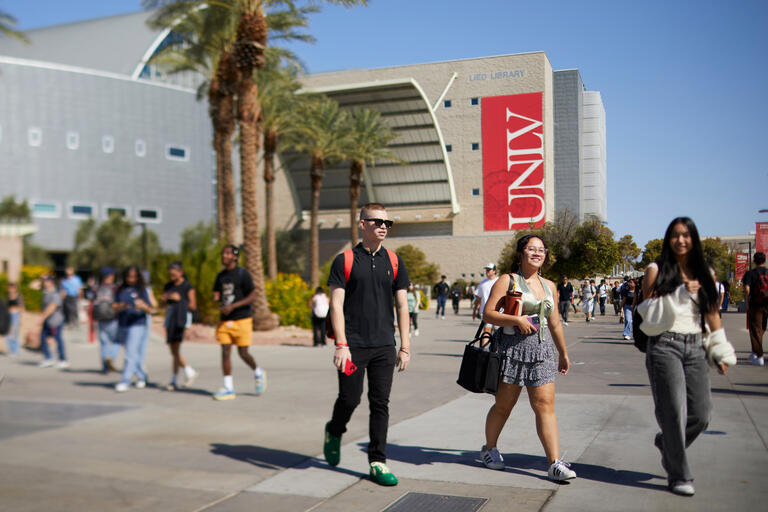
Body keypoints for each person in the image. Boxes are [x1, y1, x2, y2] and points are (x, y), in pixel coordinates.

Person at [641, 217, 733, 496]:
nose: (681, 240)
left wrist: (720, 350)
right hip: (664, 346)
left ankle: (667, 443)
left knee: (702, 415)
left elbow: (712, 314)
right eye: (675, 235)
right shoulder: (656, 270)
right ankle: (680, 474)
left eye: (686, 235)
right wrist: (679, 294)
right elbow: (648, 310)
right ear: (668, 239)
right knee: (673, 414)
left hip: (695, 347)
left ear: (694, 239)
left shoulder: (705, 272)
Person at [323, 203, 410, 487]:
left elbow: (402, 305)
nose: (383, 226)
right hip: (353, 345)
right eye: (377, 222)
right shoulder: (345, 260)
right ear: (363, 224)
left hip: (385, 345)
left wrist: (405, 346)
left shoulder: (394, 261)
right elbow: (336, 304)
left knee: (380, 403)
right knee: (350, 399)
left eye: (388, 222)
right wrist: (341, 344)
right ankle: (334, 430)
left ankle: (377, 461)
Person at [480, 234, 575, 481]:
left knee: (545, 405)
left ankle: (554, 463)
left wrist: (563, 353)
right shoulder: (507, 280)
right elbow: (488, 314)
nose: (537, 253)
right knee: (504, 405)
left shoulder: (550, 286)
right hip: (512, 348)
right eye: (531, 249)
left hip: (541, 350)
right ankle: (489, 449)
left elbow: (554, 323)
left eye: (541, 249)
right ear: (521, 253)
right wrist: (516, 320)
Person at [212, 244, 266, 400]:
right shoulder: (220, 276)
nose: (224, 256)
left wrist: (234, 306)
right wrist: (216, 299)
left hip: (242, 318)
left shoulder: (243, 274)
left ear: (235, 256)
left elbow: (252, 294)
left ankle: (258, 372)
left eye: (228, 253)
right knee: (225, 351)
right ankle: (228, 388)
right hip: (225, 321)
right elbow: (216, 292)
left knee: (243, 353)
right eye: (223, 253)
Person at [114, 266, 152, 392]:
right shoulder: (121, 289)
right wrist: (120, 306)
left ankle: (125, 380)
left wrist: (142, 306)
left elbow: (150, 308)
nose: (131, 279)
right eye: (129, 276)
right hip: (124, 323)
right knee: (133, 353)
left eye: (134, 277)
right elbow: (114, 306)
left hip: (138, 323)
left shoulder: (141, 290)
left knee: (130, 353)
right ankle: (142, 376)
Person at [162, 261, 198, 390]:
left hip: (181, 318)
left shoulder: (187, 286)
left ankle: (187, 372)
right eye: (170, 273)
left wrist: (180, 300)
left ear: (181, 272)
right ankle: (176, 378)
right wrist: (165, 299)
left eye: (174, 272)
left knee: (176, 349)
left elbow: (193, 305)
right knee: (173, 350)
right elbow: (163, 304)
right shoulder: (168, 286)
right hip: (170, 317)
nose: (172, 275)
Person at [743, 252, 768, 366]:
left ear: (754, 261)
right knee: (762, 329)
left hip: (756, 305)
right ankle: (755, 352)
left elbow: (747, 289)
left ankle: (759, 356)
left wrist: (747, 302)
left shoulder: (750, 273)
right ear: (765, 260)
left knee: (755, 330)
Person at [94, 267, 119, 374]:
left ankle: (105, 366)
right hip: (113, 318)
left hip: (100, 318)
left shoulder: (97, 288)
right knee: (116, 341)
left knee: (104, 342)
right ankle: (111, 357)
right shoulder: (115, 288)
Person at [39, 275, 67, 368]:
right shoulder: (46, 292)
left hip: (55, 321)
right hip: (48, 321)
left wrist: (42, 318)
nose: (44, 282)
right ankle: (48, 358)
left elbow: (52, 307)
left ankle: (63, 360)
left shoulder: (55, 293)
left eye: (46, 281)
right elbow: (33, 285)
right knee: (43, 339)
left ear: (51, 282)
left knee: (58, 339)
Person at [475, 264, 499, 331]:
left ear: (494, 271)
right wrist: (475, 310)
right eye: (486, 270)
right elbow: (478, 298)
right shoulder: (482, 283)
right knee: (486, 331)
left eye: (489, 270)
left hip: (498, 312)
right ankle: (486, 342)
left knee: (496, 332)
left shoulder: (499, 281)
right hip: (485, 312)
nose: (487, 271)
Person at [4, 283, 24, 356]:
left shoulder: (19, 296)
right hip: (9, 315)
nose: (11, 289)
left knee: (14, 333)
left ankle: (16, 350)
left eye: (12, 288)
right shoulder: (8, 297)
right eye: (10, 288)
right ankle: (12, 349)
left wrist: (21, 317)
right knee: (7, 333)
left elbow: (21, 307)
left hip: (16, 315)